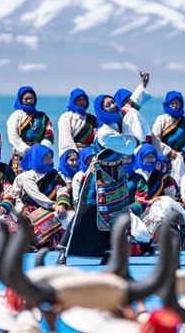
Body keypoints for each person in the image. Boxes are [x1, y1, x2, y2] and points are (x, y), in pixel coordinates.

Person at [59, 72, 153, 263]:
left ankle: (108, 252)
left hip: (117, 175)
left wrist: (142, 85)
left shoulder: (120, 117)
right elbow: (128, 146)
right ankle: (63, 250)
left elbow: (132, 105)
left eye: (112, 102)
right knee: (85, 213)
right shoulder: (104, 132)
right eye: (107, 104)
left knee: (117, 215)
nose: (112, 105)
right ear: (101, 110)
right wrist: (138, 137)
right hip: (99, 177)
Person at [12, 145, 71, 249]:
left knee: (71, 216)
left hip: (53, 208)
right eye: (45, 157)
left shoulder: (54, 174)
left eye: (50, 156)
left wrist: (62, 204)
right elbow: (35, 194)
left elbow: (62, 189)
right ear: (37, 157)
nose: (49, 159)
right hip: (31, 209)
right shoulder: (27, 175)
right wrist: (53, 205)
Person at [152, 90, 185, 177]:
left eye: (177, 102)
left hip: (183, 160)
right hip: (164, 161)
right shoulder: (161, 120)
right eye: (172, 103)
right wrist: (169, 151)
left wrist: (184, 152)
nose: (175, 105)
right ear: (167, 104)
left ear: (181, 104)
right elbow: (155, 139)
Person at [6, 86, 54, 174]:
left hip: (39, 155)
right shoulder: (15, 116)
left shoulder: (42, 117)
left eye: (31, 98)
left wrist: (40, 150)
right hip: (21, 155)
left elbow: (49, 133)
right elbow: (13, 136)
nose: (29, 101)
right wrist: (26, 150)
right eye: (26, 99)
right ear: (21, 100)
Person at [58, 88, 97, 153]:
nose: (82, 102)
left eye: (84, 99)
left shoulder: (91, 118)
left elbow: (96, 136)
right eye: (78, 100)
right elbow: (65, 137)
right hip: (72, 154)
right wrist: (73, 153)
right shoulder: (66, 117)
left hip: (88, 154)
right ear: (73, 101)